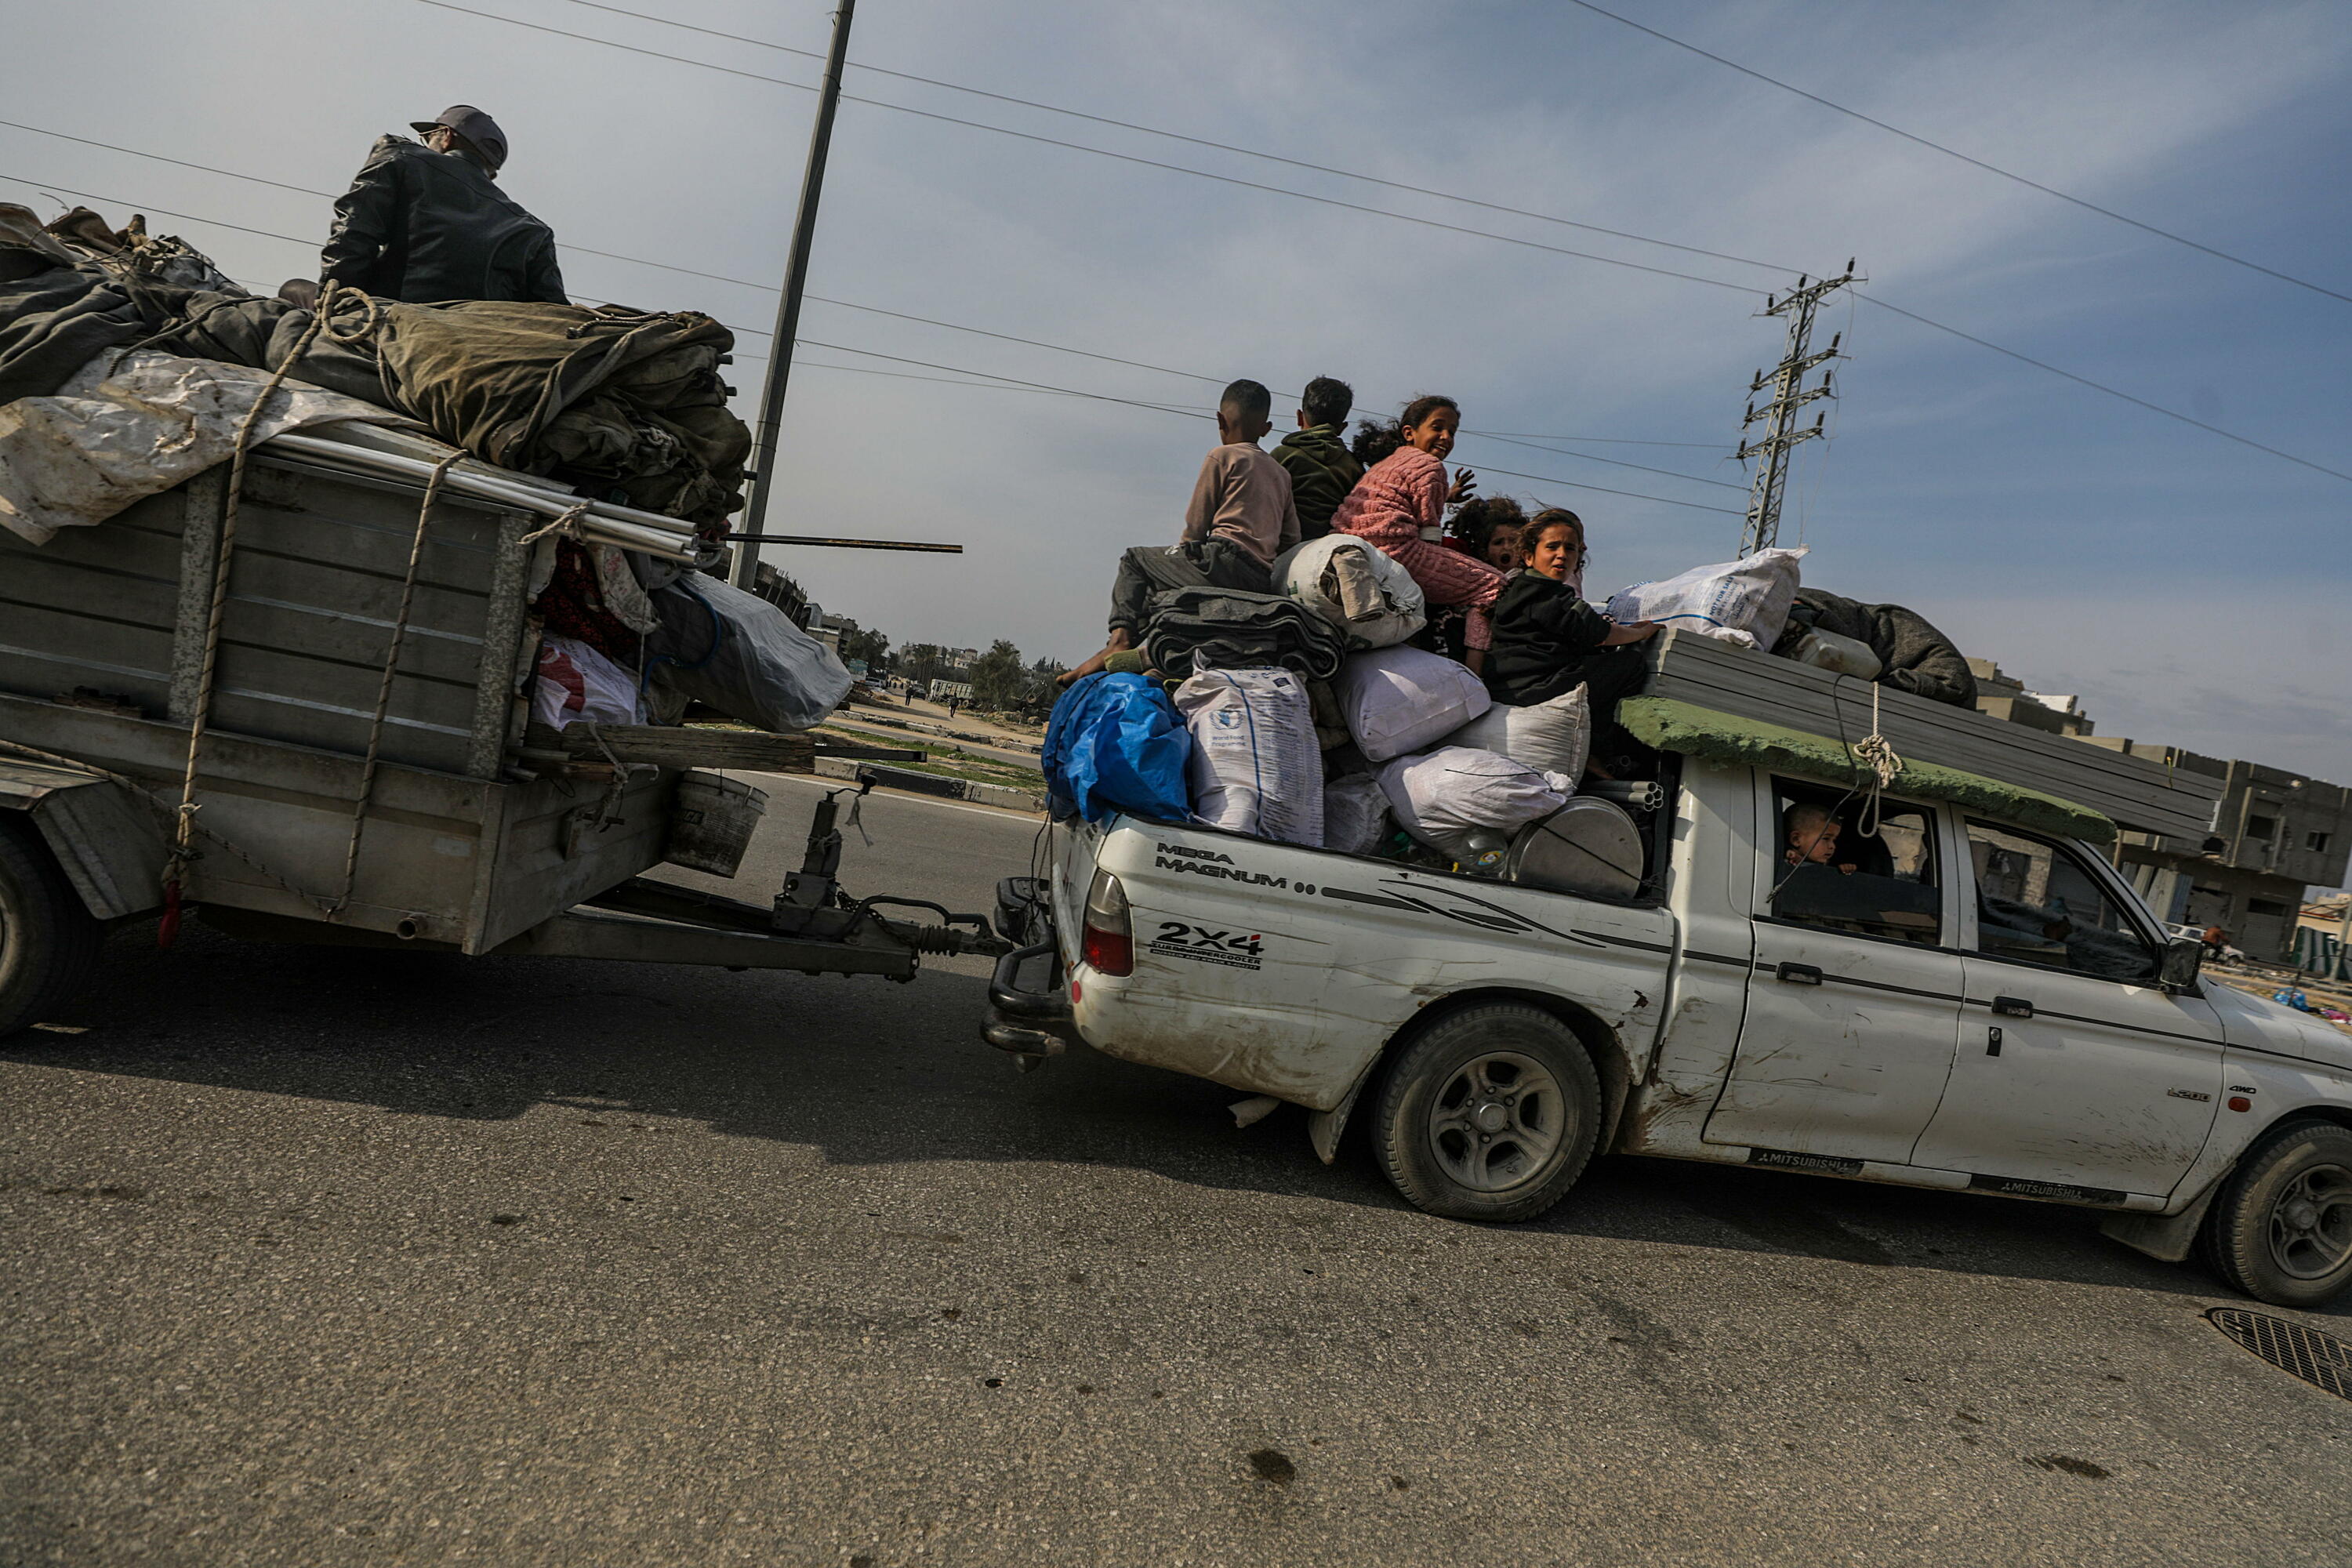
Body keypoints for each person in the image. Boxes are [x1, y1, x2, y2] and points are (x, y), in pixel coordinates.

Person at [1061, 379, 1301, 685]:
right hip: (1258, 577)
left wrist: (1186, 557)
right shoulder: (1282, 474)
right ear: (1266, 428)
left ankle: (1119, 640)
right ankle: (1158, 660)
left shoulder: (1222, 456)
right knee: (1163, 590)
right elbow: (1291, 538)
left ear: (1220, 420)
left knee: (1135, 561)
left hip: (1220, 559)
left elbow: (1195, 528)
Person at [321, 105, 568, 304]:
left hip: (394, 316)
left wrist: (336, 303)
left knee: (293, 293)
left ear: (447, 137)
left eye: (428, 138)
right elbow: (551, 310)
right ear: (491, 173)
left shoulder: (402, 158)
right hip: (483, 338)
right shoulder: (534, 231)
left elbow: (352, 237)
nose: (425, 145)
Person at [1327, 395, 1504, 669]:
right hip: (1397, 552)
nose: (1445, 437)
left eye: (1452, 432)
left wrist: (1445, 495)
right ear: (1409, 433)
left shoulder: (1386, 464)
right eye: (1438, 427)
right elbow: (1429, 536)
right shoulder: (1432, 467)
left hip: (1349, 544)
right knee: (1495, 586)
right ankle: (1475, 672)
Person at [1484, 510, 1658, 769]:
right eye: (1552, 547)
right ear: (1529, 556)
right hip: (1538, 686)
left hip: (1512, 686)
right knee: (1630, 664)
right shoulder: (1549, 597)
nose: (1562, 555)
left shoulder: (1520, 589)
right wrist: (1641, 633)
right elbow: (1601, 634)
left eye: (1571, 549)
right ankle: (1596, 748)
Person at [1269, 376, 1364, 539]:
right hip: (1335, 543)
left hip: (1285, 545)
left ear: (1300, 416)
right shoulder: (1354, 467)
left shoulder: (1280, 456)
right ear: (1342, 428)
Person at [1783, 804, 1855, 873]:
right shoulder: (1779, 861)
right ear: (1796, 839)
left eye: (1834, 840)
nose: (1833, 846)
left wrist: (1842, 870)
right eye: (1826, 838)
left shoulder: (1827, 866)